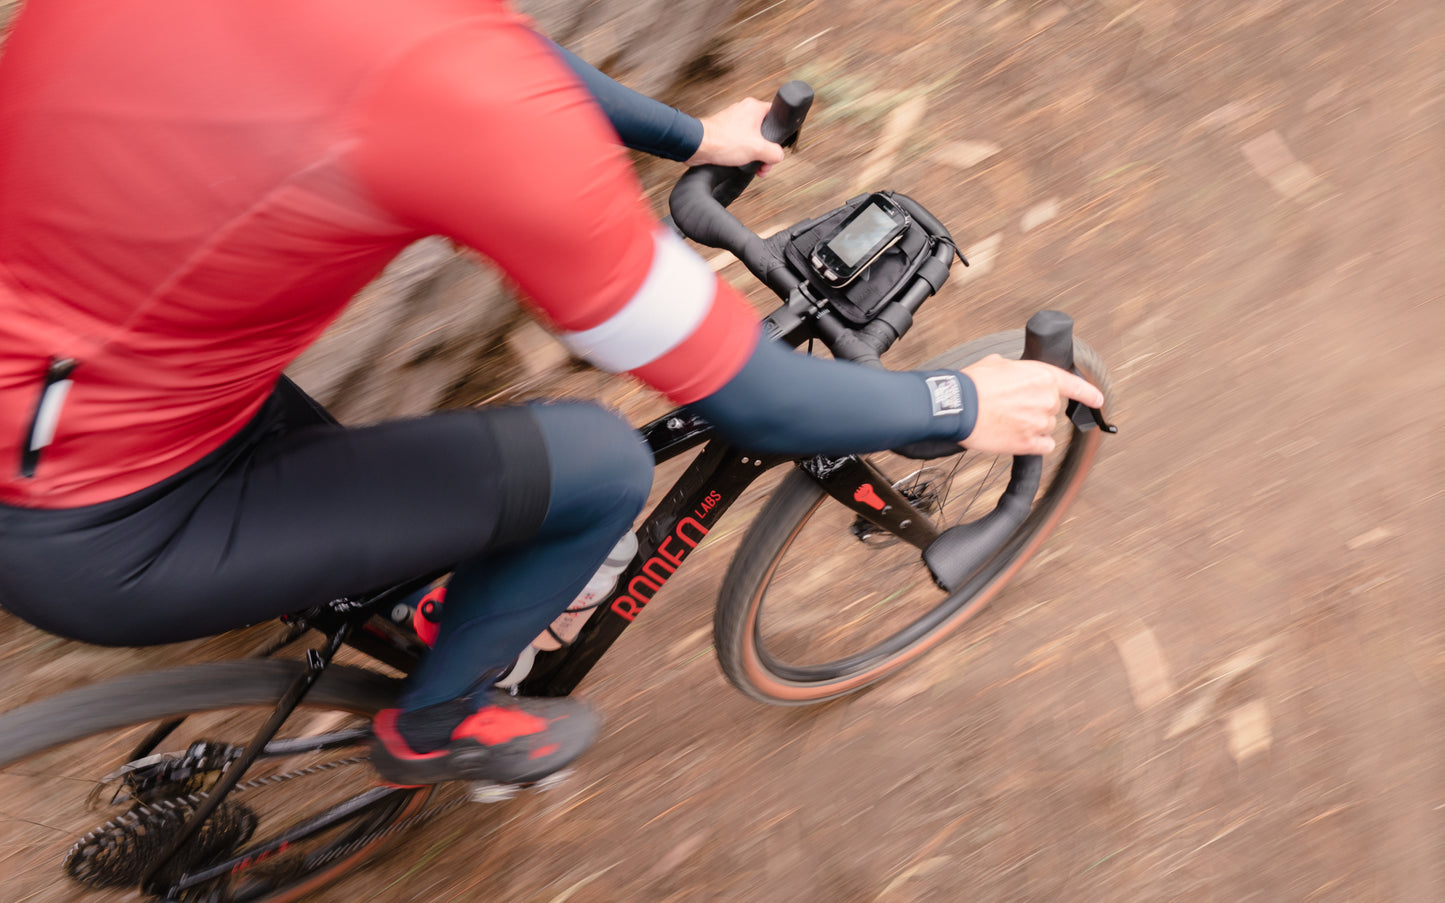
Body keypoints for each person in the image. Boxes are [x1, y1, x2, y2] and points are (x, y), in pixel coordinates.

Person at [0, 0, 1102, 787]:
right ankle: (435, 728)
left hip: (92, 396)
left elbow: (484, 48)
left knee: (397, 497)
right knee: (596, 467)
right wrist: (956, 407)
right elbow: (754, 401)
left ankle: (404, 610)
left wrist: (688, 137)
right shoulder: (468, 113)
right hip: (114, 522)